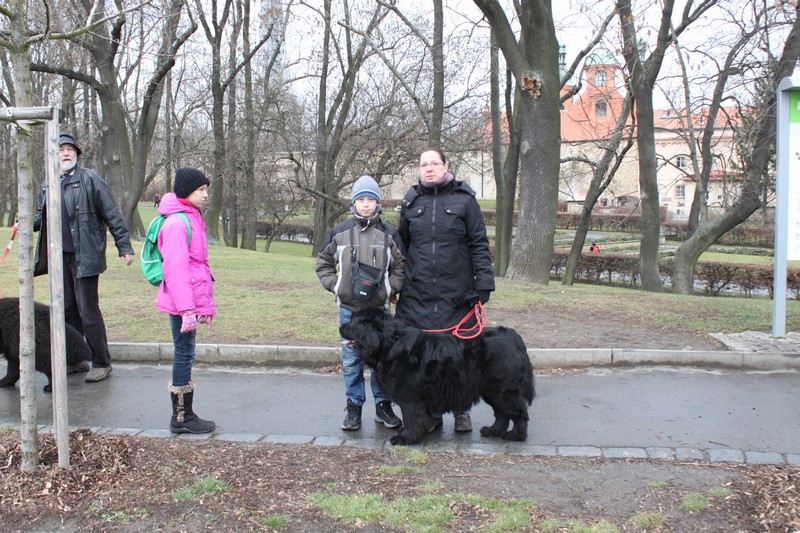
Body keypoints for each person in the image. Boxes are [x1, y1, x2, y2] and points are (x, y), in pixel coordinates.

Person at [395, 149, 495, 433]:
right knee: (424, 357)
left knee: (457, 356)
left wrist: (484, 283)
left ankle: (461, 411)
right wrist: (395, 283)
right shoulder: (411, 202)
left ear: (445, 166)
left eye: (434, 163)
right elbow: (401, 247)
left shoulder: (465, 201)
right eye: (424, 164)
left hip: (456, 294)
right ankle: (432, 412)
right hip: (417, 293)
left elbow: (479, 243)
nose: (429, 169)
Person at [33, 133, 135, 383]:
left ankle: (102, 362)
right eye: (61, 149)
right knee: (66, 310)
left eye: (70, 149)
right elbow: (39, 218)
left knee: (87, 310)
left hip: (85, 256)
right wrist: (27, 222)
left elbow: (112, 213)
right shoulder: (48, 184)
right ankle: (77, 360)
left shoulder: (90, 179)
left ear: (77, 154)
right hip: (59, 258)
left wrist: (125, 247)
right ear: (53, 155)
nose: (66, 153)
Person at [316, 175, 405, 432]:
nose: (365, 204)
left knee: (382, 360)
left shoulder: (389, 234)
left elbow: (401, 265)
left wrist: (390, 289)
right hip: (349, 310)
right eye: (361, 199)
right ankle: (353, 406)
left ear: (378, 203)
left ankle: (383, 405)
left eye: (370, 200)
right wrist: (336, 285)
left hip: (378, 312)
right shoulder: (340, 232)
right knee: (352, 360)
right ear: (353, 203)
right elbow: (323, 262)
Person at [155, 167, 216, 434]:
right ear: (186, 192)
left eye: (206, 190)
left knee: (186, 353)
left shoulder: (191, 217)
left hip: (188, 301)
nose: (205, 195)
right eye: (200, 190)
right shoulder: (178, 223)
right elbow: (176, 270)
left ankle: (184, 415)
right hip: (183, 303)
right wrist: (187, 309)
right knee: (183, 354)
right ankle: (181, 417)